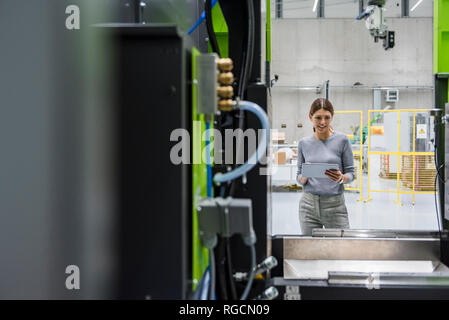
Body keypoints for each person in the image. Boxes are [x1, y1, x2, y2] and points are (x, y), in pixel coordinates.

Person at [296, 98, 355, 235]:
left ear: (332, 117)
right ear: (310, 117)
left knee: (340, 248)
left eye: (327, 117)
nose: (322, 122)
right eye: (318, 117)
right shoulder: (304, 143)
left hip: (335, 206)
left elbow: (351, 173)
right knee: (310, 249)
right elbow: (298, 176)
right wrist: (303, 178)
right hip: (308, 205)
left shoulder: (342, 140)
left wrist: (342, 178)